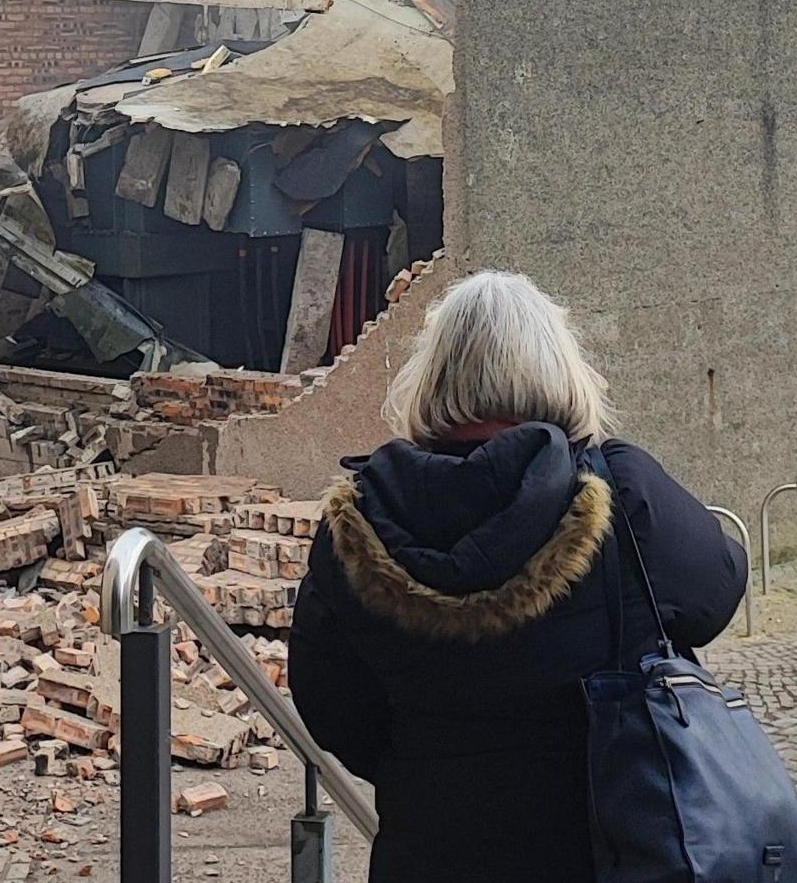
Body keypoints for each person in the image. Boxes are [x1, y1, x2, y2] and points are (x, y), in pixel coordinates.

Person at [289, 270, 750, 883]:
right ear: (559, 369)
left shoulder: (356, 518)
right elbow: (715, 594)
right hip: (603, 846)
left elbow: (330, 704)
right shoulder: (622, 492)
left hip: (427, 851)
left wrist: (424, 764)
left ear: (432, 377)